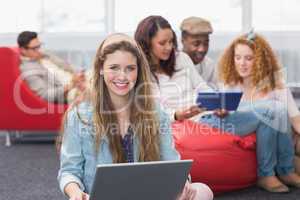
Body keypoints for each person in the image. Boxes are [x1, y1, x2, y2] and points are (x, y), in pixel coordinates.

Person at [57, 33, 214, 200]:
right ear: (101, 69)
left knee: (203, 191)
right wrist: (75, 192)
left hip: (148, 195)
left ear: (138, 72)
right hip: (102, 197)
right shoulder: (79, 116)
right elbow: (69, 172)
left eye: (130, 68)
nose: (122, 76)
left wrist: (183, 185)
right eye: (114, 67)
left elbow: (172, 162)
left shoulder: (155, 113)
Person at [199, 31, 300, 193]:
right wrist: (222, 110)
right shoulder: (229, 83)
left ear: (261, 61)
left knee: (276, 111)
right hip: (225, 123)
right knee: (275, 109)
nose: (242, 63)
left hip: (257, 122)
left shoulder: (278, 86)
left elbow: (296, 120)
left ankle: (283, 172)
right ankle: (277, 172)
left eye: (248, 58)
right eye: (237, 57)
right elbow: (228, 115)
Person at [134, 15, 212, 122]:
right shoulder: (140, 72)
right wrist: (176, 115)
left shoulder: (181, 58)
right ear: (147, 43)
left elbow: (203, 88)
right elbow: (151, 113)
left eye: (171, 41)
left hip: (204, 116)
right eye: (162, 43)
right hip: (178, 124)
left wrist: (217, 103)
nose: (169, 47)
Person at [17, 31, 86, 103]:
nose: (39, 50)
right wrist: (71, 85)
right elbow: (45, 95)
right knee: (96, 91)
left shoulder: (45, 55)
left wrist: (78, 74)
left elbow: (66, 66)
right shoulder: (28, 69)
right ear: (23, 50)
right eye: (34, 48)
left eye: (39, 46)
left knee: (96, 76)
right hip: (68, 93)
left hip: (77, 81)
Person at [180, 17, 218, 88]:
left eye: (206, 43)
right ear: (183, 41)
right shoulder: (171, 65)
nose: (202, 49)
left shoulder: (209, 66)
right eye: (196, 44)